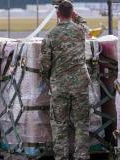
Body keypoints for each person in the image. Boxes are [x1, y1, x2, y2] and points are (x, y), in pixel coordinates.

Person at [39, 1, 90, 160]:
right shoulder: (81, 31)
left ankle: (61, 157)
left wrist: (47, 78)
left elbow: (44, 64)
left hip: (60, 85)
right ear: (71, 13)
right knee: (81, 123)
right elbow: (84, 23)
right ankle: (81, 156)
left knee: (60, 124)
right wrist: (75, 14)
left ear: (57, 14)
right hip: (80, 84)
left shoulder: (50, 35)